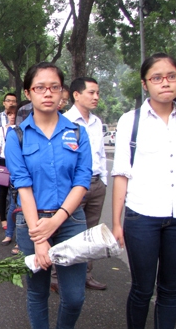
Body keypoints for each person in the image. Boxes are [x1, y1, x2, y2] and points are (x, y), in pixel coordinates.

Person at [111, 53, 176, 329]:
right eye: (157, 78)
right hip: (143, 218)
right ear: (145, 84)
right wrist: (117, 223)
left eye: (171, 76)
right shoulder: (131, 120)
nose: (165, 83)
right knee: (142, 288)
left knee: (171, 290)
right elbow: (121, 174)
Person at [6, 61, 92, 329]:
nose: (48, 93)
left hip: (71, 222)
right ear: (28, 93)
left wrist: (57, 220)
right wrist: (39, 237)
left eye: (54, 87)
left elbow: (82, 180)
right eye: (40, 87)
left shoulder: (77, 132)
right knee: (37, 292)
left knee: (75, 297)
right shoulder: (17, 136)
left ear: (62, 92)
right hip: (31, 222)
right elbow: (23, 186)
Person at [58, 77, 108, 293]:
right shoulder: (65, 121)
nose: (96, 97)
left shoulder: (97, 122)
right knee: (68, 231)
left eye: (97, 92)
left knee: (91, 233)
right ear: (76, 95)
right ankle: (58, 276)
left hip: (97, 184)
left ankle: (86, 275)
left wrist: (103, 180)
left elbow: (101, 154)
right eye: (91, 92)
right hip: (74, 187)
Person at [0, 105, 17, 242]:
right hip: (3, 162)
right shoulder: (1, 130)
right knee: (2, 192)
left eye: (14, 114)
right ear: (6, 116)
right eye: (10, 114)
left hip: (17, 163)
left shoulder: (22, 128)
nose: (12, 116)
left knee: (15, 193)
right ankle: (3, 219)